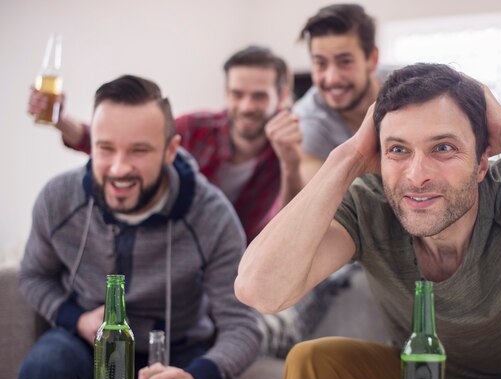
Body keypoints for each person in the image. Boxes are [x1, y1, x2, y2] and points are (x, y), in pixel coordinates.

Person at [234, 63, 501, 379]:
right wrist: (350, 156)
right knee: (314, 362)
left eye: (443, 148)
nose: (417, 175)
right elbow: (260, 291)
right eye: (398, 150)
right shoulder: (372, 203)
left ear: (481, 164)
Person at [18, 75, 260, 379]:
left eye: (139, 150)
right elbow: (33, 276)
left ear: (170, 150)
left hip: (180, 352)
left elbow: (242, 325)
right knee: (43, 370)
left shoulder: (212, 215)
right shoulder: (58, 199)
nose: (118, 168)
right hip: (87, 344)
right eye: (106, 148)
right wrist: (77, 319)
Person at [27, 45, 303, 243]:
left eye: (258, 97)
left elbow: (292, 225)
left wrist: (291, 163)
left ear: (280, 97)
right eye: (237, 94)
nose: (246, 107)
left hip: (237, 258)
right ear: (226, 93)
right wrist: (60, 120)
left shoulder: (290, 143)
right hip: (179, 247)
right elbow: (118, 143)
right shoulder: (198, 128)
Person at [294, 3, 385, 183]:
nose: (332, 79)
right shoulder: (309, 123)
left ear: (372, 60)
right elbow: (319, 205)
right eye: (320, 63)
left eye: (345, 62)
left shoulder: (410, 88)